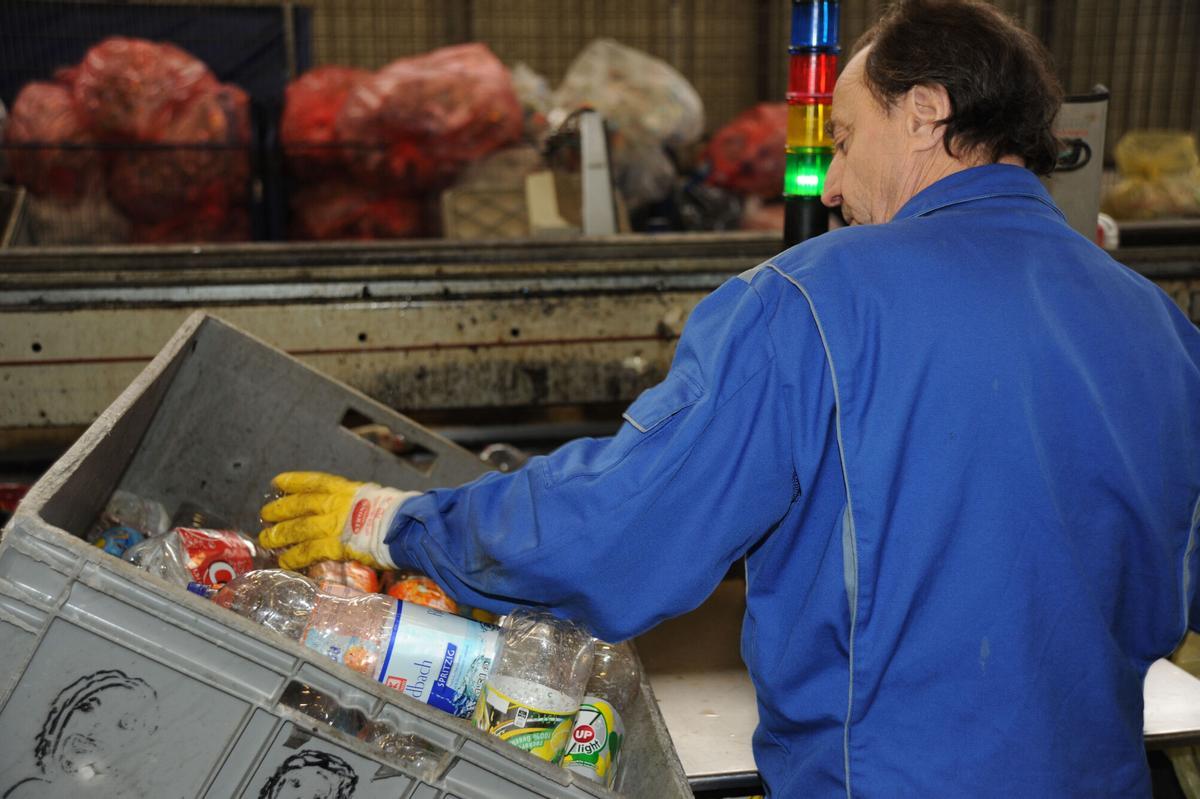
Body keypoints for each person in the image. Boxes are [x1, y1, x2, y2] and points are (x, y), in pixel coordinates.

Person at [259, 1, 1200, 795]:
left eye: (842, 139)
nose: (828, 184)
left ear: (924, 112)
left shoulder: (809, 301)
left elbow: (620, 529)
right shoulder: (1159, 325)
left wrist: (400, 523)